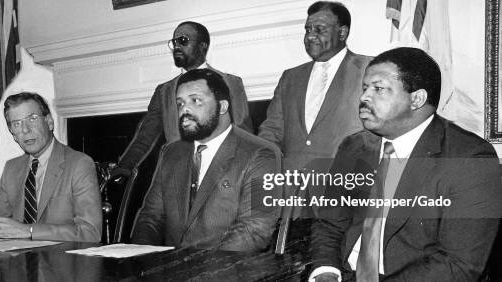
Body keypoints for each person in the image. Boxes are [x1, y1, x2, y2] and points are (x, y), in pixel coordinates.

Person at [310, 47, 502, 281]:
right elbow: (329, 223)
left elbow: (458, 265)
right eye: (364, 88)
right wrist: (325, 271)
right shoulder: (353, 147)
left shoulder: (469, 159)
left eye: (378, 89)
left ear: (417, 99)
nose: (364, 97)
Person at [131, 69, 281, 251]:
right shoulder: (171, 152)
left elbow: (253, 230)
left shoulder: (261, 154)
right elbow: (150, 218)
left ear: (223, 107)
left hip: (225, 271)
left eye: (196, 100)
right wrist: (140, 261)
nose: (184, 109)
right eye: (180, 103)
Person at [258, 1, 371, 219]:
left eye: (319, 29)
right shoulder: (290, 77)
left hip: (344, 194)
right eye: (307, 29)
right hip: (289, 198)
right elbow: (271, 131)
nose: (310, 36)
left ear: (342, 32)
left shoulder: (368, 69)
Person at [111, 21, 252, 180]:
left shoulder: (230, 83)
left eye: (183, 40)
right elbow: (146, 136)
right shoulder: (164, 92)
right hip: (179, 179)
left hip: (221, 178)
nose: (176, 46)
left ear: (202, 46)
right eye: (174, 42)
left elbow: (243, 133)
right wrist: (124, 166)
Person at [0, 92, 102, 242]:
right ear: (13, 134)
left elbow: (90, 233)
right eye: (16, 124)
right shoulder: (11, 168)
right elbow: (0, 223)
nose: (25, 130)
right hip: (19, 261)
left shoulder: (79, 164)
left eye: (32, 119)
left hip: (61, 261)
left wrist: (29, 231)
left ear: (49, 122)